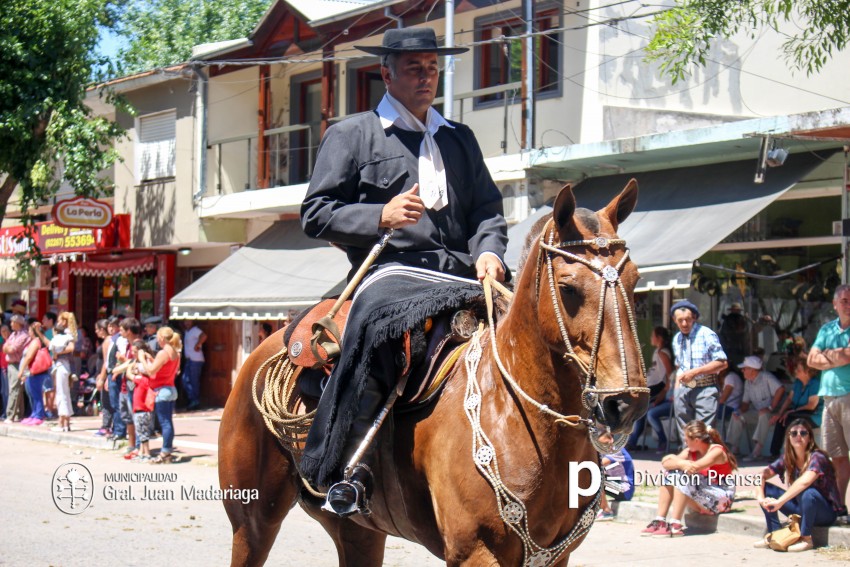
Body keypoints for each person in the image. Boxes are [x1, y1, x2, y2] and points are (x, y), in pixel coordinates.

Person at [299, 26, 507, 516]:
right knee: (378, 332)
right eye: (415, 68)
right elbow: (315, 213)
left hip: (463, 273)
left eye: (433, 68)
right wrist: (378, 216)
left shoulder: (459, 138)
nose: (426, 76)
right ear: (387, 74)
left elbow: (487, 210)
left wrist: (490, 251)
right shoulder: (351, 134)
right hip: (391, 272)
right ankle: (345, 468)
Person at [754, 418, 843, 552]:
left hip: (825, 512)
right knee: (766, 489)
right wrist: (761, 499)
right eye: (794, 433)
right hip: (801, 507)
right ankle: (775, 535)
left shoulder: (818, 457)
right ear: (788, 437)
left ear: (810, 438)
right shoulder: (788, 457)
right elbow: (759, 476)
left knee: (808, 492)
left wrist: (780, 501)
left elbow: (805, 481)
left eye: (803, 433)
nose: (798, 436)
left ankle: (806, 539)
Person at [640, 420, 737, 537]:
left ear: (696, 440)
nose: (685, 443)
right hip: (704, 495)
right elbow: (666, 463)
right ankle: (660, 521)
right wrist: (677, 461)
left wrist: (676, 461)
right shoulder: (691, 451)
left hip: (721, 498)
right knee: (669, 474)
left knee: (682, 476)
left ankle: (675, 524)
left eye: (686, 440)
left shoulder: (716, 451)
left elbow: (694, 467)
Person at [807, 284, 850, 514]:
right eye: (843, 300)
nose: (848, 304)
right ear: (835, 305)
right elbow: (811, 360)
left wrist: (827, 355)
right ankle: (840, 505)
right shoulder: (826, 330)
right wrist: (838, 356)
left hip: (849, 396)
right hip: (829, 398)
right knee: (837, 457)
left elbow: (849, 355)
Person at [671, 300, 728, 445]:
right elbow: (679, 367)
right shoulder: (676, 339)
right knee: (685, 433)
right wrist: (676, 392)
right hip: (684, 389)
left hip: (705, 388)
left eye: (688, 320)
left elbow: (722, 363)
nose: (684, 324)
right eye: (680, 320)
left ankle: (702, 465)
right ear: (674, 320)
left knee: (702, 433)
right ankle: (688, 465)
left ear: (694, 318)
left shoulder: (706, 334)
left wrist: (695, 372)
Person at [726, 355, 785, 461]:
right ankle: (734, 449)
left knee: (764, 414)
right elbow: (745, 403)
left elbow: (780, 389)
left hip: (774, 412)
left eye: (744, 369)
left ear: (752, 370)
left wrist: (770, 408)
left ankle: (757, 451)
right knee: (737, 416)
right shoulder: (748, 382)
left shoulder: (766, 377)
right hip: (758, 412)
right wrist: (739, 412)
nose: (742, 371)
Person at [137, 326, 182, 464]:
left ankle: (165, 452)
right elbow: (167, 368)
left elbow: (151, 371)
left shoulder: (163, 353)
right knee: (168, 421)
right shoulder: (176, 352)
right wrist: (151, 357)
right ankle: (167, 450)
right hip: (170, 388)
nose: (156, 339)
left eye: (157, 336)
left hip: (162, 390)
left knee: (165, 423)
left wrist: (142, 359)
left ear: (162, 338)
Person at [628, 326, 673, 450]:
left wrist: (664, 391)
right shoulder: (657, 351)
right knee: (640, 413)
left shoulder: (662, 352)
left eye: (653, 335)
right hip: (652, 386)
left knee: (641, 411)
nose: (650, 338)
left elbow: (669, 373)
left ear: (659, 338)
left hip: (658, 388)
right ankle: (633, 441)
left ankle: (635, 441)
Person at [769, 357, 822, 457]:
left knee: (790, 421)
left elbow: (811, 405)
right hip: (798, 412)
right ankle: (774, 453)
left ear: (807, 372)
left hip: (813, 415)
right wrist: (780, 413)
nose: (796, 372)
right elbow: (789, 399)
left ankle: (794, 455)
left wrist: (792, 412)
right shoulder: (798, 383)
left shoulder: (815, 384)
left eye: (799, 370)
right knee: (781, 420)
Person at [40, 312, 77, 432]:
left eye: (60, 320)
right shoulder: (67, 335)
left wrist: (57, 352)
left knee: (61, 393)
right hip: (64, 365)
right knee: (64, 392)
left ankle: (62, 423)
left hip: (62, 365)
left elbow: (70, 348)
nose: (58, 322)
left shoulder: (66, 335)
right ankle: (65, 422)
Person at [127, 339, 156, 462]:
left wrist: (140, 360)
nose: (133, 354)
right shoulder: (142, 378)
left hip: (142, 408)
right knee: (141, 431)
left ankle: (146, 453)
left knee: (143, 431)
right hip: (138, 407)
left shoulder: (143, 379)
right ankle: (142, 453)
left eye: (135, 352)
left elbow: (130, 375)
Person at [19, 320, 51, 426]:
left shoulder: (36, 341)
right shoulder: (36, 341)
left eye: (29, 330)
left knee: (36, 394)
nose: (28, 331)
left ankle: (39, 415)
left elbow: (28, 357)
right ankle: (34, 414)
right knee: (32, 393)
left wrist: (21, 370)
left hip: (37, 372)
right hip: (34, 373)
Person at [597, 432, 635, 521]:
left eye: (604, 443)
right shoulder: (602, 451)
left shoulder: (616, 450)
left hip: (625, 490)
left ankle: (607, 512)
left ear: (611, 440)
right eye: (599, 444)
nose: (602, 446)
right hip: (615, 484)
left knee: (595, 479)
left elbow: (599, 465)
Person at [3, 314, 29, 422]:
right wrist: (7, 348)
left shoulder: (23, 335)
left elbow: (13, 349)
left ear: (18, 323)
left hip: (18, 364)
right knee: (15, 389)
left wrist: (8, 348)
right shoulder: (13, 334)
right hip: (10, 364)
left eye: (13, 322)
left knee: (15, 389)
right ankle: (18, 413)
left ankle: (10, 415)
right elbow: (5, 347)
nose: (11, 324)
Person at [92, 319, 114, 437]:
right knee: (105, 401)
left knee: (106, 401)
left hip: (105, 374)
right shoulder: (107, 340)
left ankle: (106, 426)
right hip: (103, 373)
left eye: (97, 329)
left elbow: (106, 361)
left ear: (102, 329)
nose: (96, 332)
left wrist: (102, 377)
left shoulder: (107, 341)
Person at [180, 319, 206, 410]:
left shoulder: (195, 330)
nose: (187, 323)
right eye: (185, 321)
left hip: (196, 359)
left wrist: (198, 344)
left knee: (194, 381)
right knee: (185, 380)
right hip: (189, 359)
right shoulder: (187, 332)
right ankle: (193, 399)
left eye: (189, 321)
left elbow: (203, 336)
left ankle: (195, 401)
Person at [718, 302, 751, 369]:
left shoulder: (742, 320)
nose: (736, 311)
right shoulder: (727, 320)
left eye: (737, 310)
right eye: (735, 309)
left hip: (741, 349)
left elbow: (745, 333)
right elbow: (724, 334)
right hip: (729, 349)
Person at [41, 311, 57, 418]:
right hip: (46, 362)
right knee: (46, 386)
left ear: (51, 321)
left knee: (51, 386)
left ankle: (51, 409)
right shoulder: (46, 332)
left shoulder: (53, 332)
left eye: (44, 319)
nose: (42, 321)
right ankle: (47, 407)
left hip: (52, 362)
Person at [0, 323, 10, 420]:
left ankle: (7, 413)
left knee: (7, 392)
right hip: (2, 368)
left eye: (5, 331)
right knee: (3, 392)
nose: (4, 333)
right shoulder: (3, 341)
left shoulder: (10, 341)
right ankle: (4, 412)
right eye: (2, 331)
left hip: (7, 369)